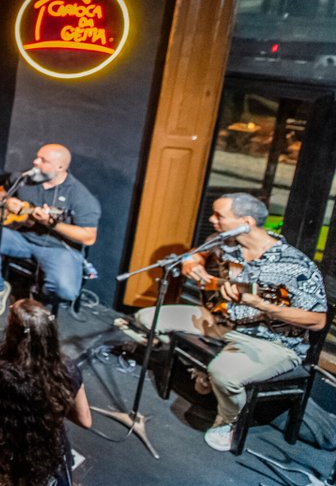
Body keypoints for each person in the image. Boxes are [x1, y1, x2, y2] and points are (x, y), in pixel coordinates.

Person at [133, 192, 327, 452]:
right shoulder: (224, 242)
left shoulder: (296, 266)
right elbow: (195, 255)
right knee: (146, 318)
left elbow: (317, 321)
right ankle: (198, 368)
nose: (212, 220)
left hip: (271, 341)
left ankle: (228, 420)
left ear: (246, 221)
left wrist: (264, 306)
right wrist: (194, 265)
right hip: (220, 320)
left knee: (223, 375)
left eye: (219, 216)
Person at [0, 299, 92, 486]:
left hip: (8, 452)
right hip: (49, 455)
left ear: (14, 335)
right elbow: (85, 421)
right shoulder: (68, 370)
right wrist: (52, 404)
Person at [0, 144, 100, 317]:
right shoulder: (25, 179)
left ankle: (38, 299)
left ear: (60, 167)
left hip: (58, 248)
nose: (35, 162)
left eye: (43, 160)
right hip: (23, 237)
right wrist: (5, 200)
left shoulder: (80, 197)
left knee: (66, 290)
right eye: (37, 157)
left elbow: (89, 237)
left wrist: (53, 224)